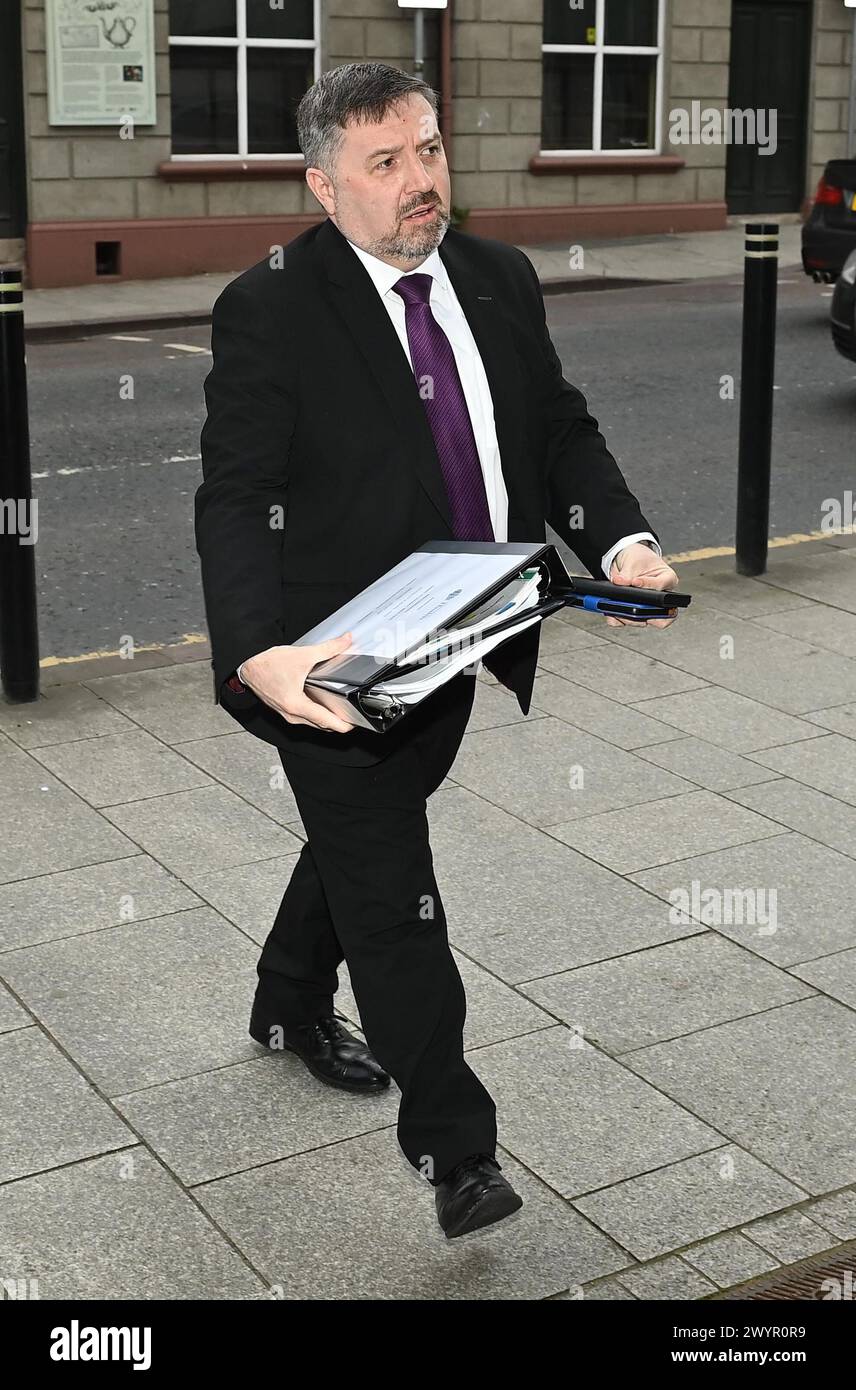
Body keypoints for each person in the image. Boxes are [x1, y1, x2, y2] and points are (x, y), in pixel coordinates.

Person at [195, 62, 679, 1240]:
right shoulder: (270, 305)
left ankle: (291, 999)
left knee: (364, 843)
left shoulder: (500, 277)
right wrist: (259, 652)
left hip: (467, 630)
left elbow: (558, 429)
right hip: (336, 659)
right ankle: (457, 1149)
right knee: (397, 897)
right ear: (322, 186)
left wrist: (620, 539)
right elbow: (236, 492)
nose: (421, 181)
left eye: (428, 150)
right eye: (385, 162)